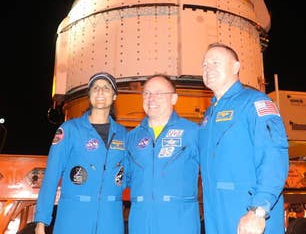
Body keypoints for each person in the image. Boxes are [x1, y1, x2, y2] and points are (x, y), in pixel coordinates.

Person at [199, 43, 289, 234]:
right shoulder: (209, 115)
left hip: (247, 215)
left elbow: (273, 157)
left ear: (236, 67)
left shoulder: (256, 102)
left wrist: (258, 210)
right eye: (205, 65)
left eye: (216, 62)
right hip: (217, 216)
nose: (208, 68)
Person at [34, 72, 128, 234]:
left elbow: (129, 175)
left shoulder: (124, 134)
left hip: (110, 220)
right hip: (73, 218)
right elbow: (52, 175)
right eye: (95, 88)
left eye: (106, 88)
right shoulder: (69, 130)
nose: (100, 92)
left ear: (114, 96)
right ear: (89, 95)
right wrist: (41, 220)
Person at [125, 74, 201, 233]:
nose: (151, 98)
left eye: (159, 93)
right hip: (141, 224)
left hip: (179, 223)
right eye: (146, 93)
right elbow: (119, 178)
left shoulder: (193, 132)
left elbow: (215, 172)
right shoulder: (132, 137)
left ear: (174, 98)